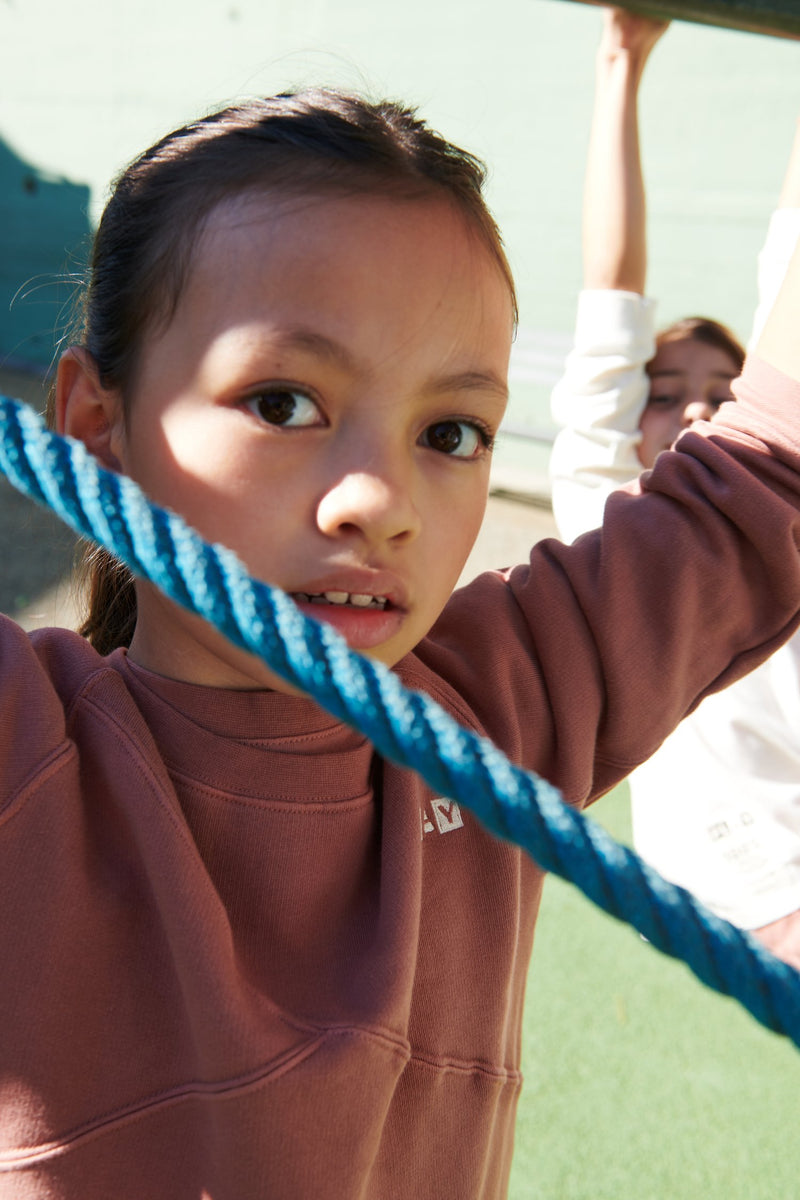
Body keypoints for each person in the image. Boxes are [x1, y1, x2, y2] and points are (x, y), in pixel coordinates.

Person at [3, 89, 800, 1200]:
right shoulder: (28, 749)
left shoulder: (503, 708)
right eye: (283, 402)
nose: (379, 501)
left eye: (451, 433)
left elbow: (765, 478)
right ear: (98, 425)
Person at [549, 6, 800, 970]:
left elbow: (789, 272)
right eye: (664, 396)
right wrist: (621, 61)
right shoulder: (610, 518)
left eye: (718, 395)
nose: (694, 413)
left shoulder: (772, 520)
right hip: (736, 894)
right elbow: (611, 309)